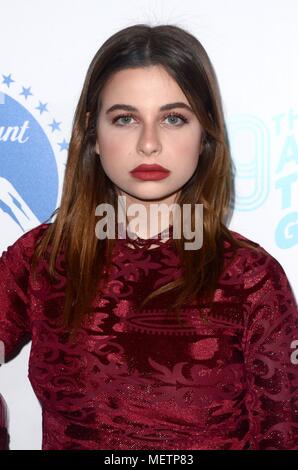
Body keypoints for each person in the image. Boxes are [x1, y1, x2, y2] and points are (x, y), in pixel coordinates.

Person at [0, 23, 298, 451]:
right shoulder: (42, 258)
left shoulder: (252, 278)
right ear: (93, 135)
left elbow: (284, 436)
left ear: (205, 134)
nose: (149, 143)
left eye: (173, 118)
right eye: (125, 119)